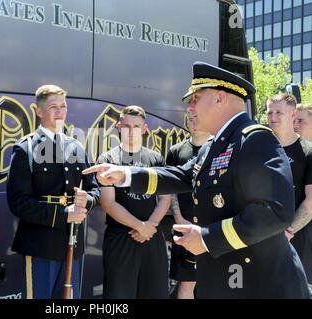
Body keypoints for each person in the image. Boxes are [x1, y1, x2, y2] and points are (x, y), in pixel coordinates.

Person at [83, 61, 310, 298]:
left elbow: (274, 211)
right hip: (226, 280)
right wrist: (126, 174)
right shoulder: (215, 145)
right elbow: (182, 175)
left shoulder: (254, 140)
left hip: (260, 284)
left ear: (220, 98)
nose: (190, 108)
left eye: (195, 99)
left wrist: (207, 238)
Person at [6, 84, 100, 299]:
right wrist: (64, 214)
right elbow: (18, 202)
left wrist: (87, 200)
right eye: (53, 107)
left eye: (63, 106)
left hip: (72, 244)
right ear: (39, 111)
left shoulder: (76, 147)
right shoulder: (26, 148)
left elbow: (95, 190)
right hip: (40, 245)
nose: (60, 112)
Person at [96, 105, 171, 299]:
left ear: (144, 129)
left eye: (136, 126)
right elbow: (108, 203)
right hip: (121, 238)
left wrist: (150, 226)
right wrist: (140, 226)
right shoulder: (108, 159)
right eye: (127, 126)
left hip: (153, 236)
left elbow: (165, 199)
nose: (131, 131)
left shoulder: (155, 159)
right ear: (119, 127)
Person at [267, 93, 312, 288]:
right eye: (269, 112)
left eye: (279, 112)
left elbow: (311, 202)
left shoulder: (308, 152)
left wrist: (287, 231)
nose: (273, 117)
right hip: (263, 236)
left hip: (297, 239)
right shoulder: (261, 148)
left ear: (293, 114)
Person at [166, 115, 211, 299]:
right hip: (184, 228)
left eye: (198, 118)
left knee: (214, 283)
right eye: (190, 119)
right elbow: (170, 188)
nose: (194, 122)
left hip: (213, 230)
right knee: (186, 285)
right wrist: (178, 218)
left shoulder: (220, 148)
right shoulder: (177, 151)